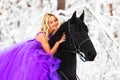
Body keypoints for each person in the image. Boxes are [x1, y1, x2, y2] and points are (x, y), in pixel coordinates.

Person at [0, 13, 66, 80]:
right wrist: (57, 43)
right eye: (51, 22)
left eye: (55, 20)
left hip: (43, 52)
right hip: (33, 55)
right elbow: (49, 53)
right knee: (40, 69)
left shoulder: (54, 32)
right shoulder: (42, 35)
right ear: (47, 24)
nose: (54, 23)